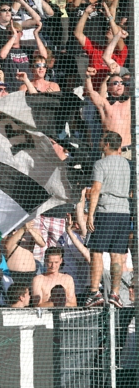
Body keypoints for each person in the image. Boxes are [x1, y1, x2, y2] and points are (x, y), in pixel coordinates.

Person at [85, 131, 130, 308]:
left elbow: (96, 189)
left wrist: (90, 215)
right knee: (117, 254)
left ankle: (95, 292)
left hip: (106, 211)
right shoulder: (128, 164)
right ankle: (115, 293)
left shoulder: (100, 164)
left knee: (96, 251)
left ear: (106, 145)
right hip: (124, 213)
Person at [85, 68, 131, 158]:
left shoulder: (129, 103)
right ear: (108, 88)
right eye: (115, 83)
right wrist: (87, 77)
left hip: (127, 151)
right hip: (111, 151)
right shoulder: (105, 104)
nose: (119, 85)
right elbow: (91, 92)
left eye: (122, 83)